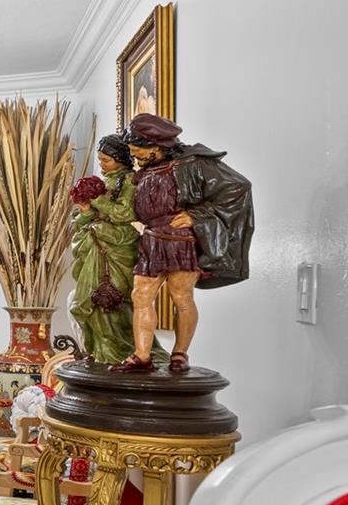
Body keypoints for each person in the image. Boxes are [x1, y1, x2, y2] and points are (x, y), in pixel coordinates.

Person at [109, 114, 254, 373]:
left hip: (181, 240)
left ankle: (179, 353)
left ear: (157, 146)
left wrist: (195, 215)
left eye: (140, 152)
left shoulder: (192, 163)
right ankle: (142, 356)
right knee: (140, 295)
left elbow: (237, 187)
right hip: (152, 240)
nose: (136, 158)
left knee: (181, 296)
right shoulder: (145, 170)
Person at [70, 135, 164, 365]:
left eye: (106, 160)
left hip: (117, 248)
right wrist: (85, 209)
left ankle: (118, 352)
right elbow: (86, 219)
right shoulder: (106, 183)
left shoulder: (130, 181)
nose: (101, 164)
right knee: (85, 303)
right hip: (96, 246)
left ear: (120, 160)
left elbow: (125, 214)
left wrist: (98, 199)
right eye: (99, 160)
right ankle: (100, 352)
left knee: (112, 303)